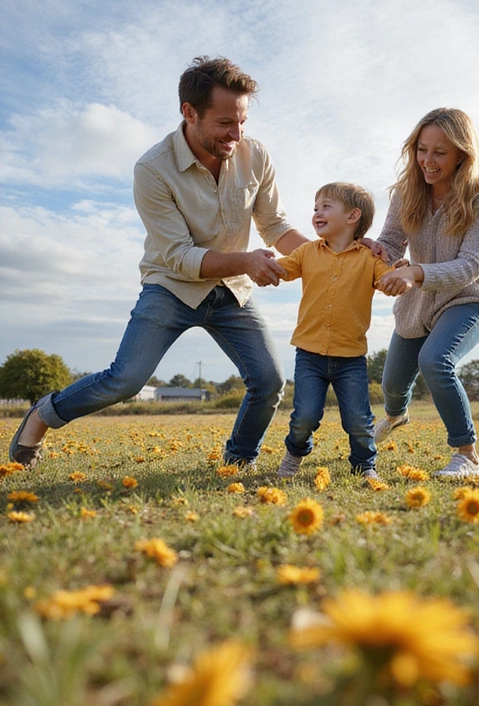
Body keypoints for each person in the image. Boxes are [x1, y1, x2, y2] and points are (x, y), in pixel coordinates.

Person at [9, 56, 307, 469]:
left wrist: (329, 256)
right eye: (225, 123)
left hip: (233, 289)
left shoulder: (254, 155)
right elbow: (180, 257)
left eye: (242, 123)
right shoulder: (152, 169)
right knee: (126, 380)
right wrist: (246, 260)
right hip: (171, 287)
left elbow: (274, 225)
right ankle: (44, 413)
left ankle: (238, 459)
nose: (236, 134)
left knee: (270, 381)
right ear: (189, 112)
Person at [372, 107, 479, 478]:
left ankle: (467, 456)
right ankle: (396, 417)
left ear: (462, 154)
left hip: (471, 296)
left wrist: (415, 273)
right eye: (421, 149)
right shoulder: (406, 192)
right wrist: (380, 253)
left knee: (435, 360)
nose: (427, 161)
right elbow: (392, 242)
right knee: (393, 385)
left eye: (440, 153)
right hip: (420, 299)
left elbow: (469, 266)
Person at [275, 182, 392, 481]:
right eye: (316, 208)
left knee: (357, 419)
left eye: (326, 206)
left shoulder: (370, 258)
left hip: (350, 356)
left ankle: (364, 465)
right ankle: (295, 453)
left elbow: (389, 281)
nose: (317, 213)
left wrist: (401, 275)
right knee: (305, 416)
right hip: (309, 354)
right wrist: (260, 265)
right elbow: (282, 269)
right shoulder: (306, 252)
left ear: (353, 216)